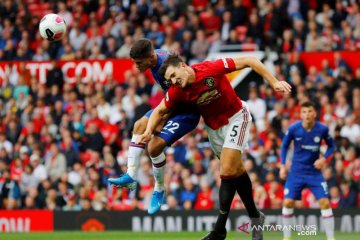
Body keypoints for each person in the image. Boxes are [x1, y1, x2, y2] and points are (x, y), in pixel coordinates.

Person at [136, 54, 292, 240]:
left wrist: (273, 82)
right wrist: (149, 131)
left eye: (174, 75)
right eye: (169, 80)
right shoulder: (177, 90)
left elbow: (250, 60)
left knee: (226, 170)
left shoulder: (210, 68)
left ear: (183, 66)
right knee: (236, 172)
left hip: (236, 117)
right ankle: (256, 217)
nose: (173, 81)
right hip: (214, 128)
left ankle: (219, 229)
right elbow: (160, 110)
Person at [108, 39, 201, 214]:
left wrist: (160, 119)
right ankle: (131, 176)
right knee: (139, 125)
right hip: (172, 105)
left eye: (138, 63)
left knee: (154, 147)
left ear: (150, 58)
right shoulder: (154, 59)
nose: (136, 67)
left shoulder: (166, 66)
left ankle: (159, 189)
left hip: (187, 111)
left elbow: (184, 91)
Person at [280, 101, 336, 240]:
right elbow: (284, 146)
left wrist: (324, 159)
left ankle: (331, 238)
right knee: (287, 202)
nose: (307, 115)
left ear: (315, 113)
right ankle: (287, 237)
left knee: (324, 202)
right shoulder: (294, 128)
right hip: (296, 172)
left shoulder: (322, 129)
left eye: (310, 111)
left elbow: (332, 147)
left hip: (314, 173)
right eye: (304, 112)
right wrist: (282, 165)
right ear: (300, 114)